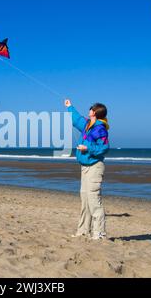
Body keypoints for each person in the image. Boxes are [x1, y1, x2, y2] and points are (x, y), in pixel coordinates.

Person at [65, 99, 110, 240]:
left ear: (95, 112)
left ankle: (99, 233)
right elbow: (76, 119)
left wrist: (87, 148)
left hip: (95, 167)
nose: (89, 109)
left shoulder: (100, 129)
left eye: (91, 108)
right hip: (85, 167)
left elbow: (104, 148)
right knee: (85, 199)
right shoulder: (87, 124)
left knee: (93, 199)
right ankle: (83, 230)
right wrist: (69, 107)